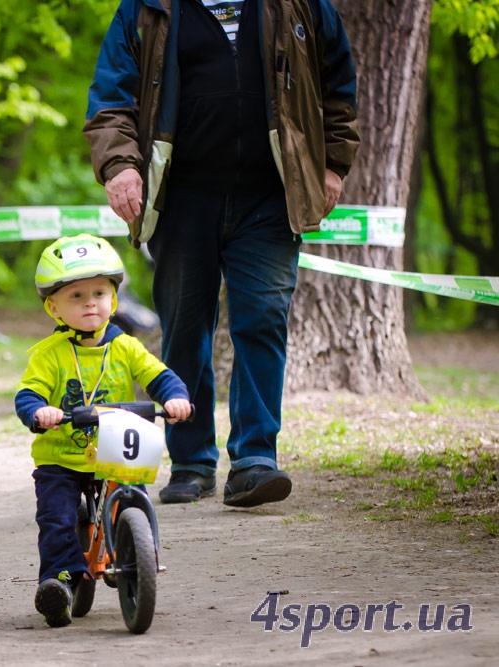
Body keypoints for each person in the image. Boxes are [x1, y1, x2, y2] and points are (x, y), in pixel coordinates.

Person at [84, 0, 360, 507]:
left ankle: (255, 460)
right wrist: (121, 165)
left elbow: (338, 84)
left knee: (263, 319)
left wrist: (333, 163)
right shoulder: (148, 9)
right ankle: (191, 462)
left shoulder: (301, 5)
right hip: (182, 196)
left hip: (270, 196)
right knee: (186, 326)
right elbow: (110, 98)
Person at [14, 234, 192, 627]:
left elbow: (158, 376)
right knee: (58, 518)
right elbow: (27, 395)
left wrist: (175, 397)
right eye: (76, 296)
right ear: (53, 306)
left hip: (116, 453)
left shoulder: (127, 347)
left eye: (99, 292)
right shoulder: (49, 354)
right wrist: (38, 411)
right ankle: (58, 582)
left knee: (131, 502)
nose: (90, 302)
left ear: (114, 298)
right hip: (61, 457)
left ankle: (136, 555)